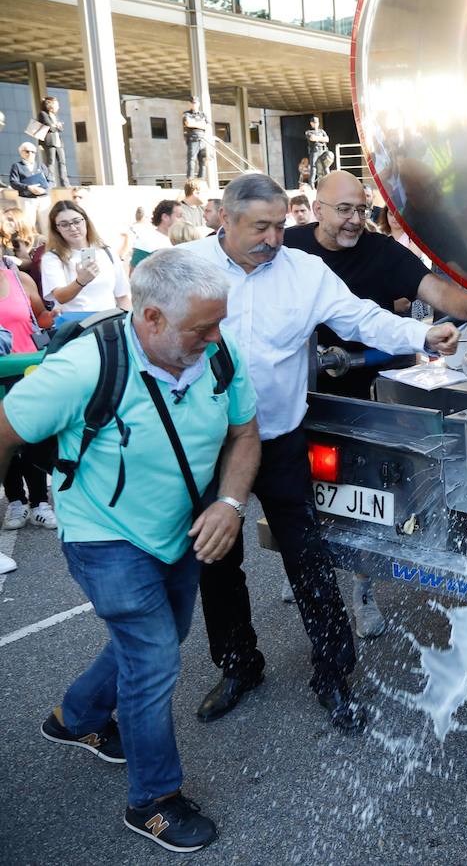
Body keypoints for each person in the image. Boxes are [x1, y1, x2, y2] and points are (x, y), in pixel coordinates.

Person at [0, 247, 260, 853]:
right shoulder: (83, 369)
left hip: (179, 529)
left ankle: (76, 718)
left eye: (219, 323)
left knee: (159, 639)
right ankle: (153, 802)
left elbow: (245, 434)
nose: (216, 338)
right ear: (150, 320)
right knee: (152, 659)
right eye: (202, 328)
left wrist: (230, 503)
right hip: (102, 534)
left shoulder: (217, 355)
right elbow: (6, 431)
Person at [181, 173, 460, 732]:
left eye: (280, 225)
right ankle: (238, 665)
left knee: (308, 555)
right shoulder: (184, 267)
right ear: (224, 219)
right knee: (216, 560)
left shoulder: (304, 271)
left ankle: (332, 675)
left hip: (281, 438)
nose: (273, 238)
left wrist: (418, 336)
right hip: (208, 444)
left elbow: (359, 316)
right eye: (260, 226)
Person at [282, 170, 467, 637]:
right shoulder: (288, 247)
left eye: (362, 210)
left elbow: (434, 290)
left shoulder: (382, 252)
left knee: (367, 496)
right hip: (291, 393)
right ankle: (303, 563)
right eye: (344, 210)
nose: (354, 220)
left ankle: (363, 593)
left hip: (362, 392)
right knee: (295, 493)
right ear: (316, 206)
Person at [0, 250, 57, 534]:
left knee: (33, 435)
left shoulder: (20, 278)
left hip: (28, 369)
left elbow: (41, 319)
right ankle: (15, 501)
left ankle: (39, 503)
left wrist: (52, 314)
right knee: (4, 437)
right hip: (0, 375)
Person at [41, 200, 131, 314]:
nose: (73, 228)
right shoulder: (52, 258)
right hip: (76, 326)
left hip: (107, 323)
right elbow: (60, 297)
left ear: (86, 221)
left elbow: (122, 297)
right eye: (64, 224)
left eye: (77, 221)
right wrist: (81, 281)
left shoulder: (106, 252)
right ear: (57, 229)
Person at [9, 142, 52, 229]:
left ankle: (48, 242)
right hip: (27, 200)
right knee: (28, 226)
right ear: (21, 152)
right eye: (27, 151)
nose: (30, 154)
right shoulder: (17, 166)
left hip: (43, 199)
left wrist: (45, 190)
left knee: (47, 225)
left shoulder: (41, 165)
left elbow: (51, 181)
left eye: (33, 152)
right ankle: (30, 242)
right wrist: (28, 187)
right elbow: (13, 182)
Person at [38, 96, 69, 188]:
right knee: (51, 163)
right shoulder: (43, 114)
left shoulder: (55, 116)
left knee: (62, 162)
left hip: (58, 142)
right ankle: (51, 183)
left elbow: (60, 128)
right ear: (50, 105)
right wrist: (56, 126)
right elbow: (50, 127)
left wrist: (56, 126)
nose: (58, 107)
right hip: (50, 142)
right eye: (57, 105)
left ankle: (65, 183)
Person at [183, 98, 211, 180]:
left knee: (203, 160)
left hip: (203, 139)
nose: (194, 104)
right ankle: (190, 179)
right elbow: (188, 123)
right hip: (193, 139)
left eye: (195, 103)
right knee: (191, 160)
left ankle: (201, 179)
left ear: (198, 104)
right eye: (192, 103)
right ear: (190, 104)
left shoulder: (203, 114)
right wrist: (201, 124)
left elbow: (208, 125)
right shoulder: (186, 114)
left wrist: (195, 124)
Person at [305, 117, 330, 187]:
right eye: (314, 123)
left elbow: (327, 139)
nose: (316, 124)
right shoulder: (309, 132)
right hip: (314, 151)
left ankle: (330, 182)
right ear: (311, 123)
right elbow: (312, 138)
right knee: (313, 168)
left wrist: (317, 138)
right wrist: (321, 139)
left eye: (317, 122)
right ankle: (312, 185)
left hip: (323, 150)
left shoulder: (321, 131)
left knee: (326, 167)